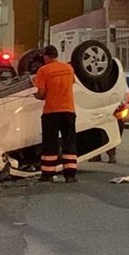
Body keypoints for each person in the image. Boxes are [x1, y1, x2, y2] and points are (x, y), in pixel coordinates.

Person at [33, 45, 78, 184]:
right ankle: (70, 175)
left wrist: (34, 95)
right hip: (68, 111)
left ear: (46, 56)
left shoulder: (43, 70)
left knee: (50, 144)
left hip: (51, 112)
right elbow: (71, 84)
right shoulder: (69, 68)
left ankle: (48, 174)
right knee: (69, 142)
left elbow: (41, 94)